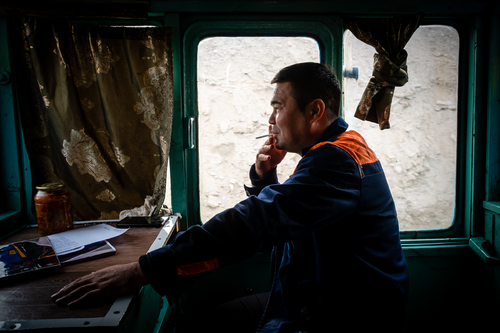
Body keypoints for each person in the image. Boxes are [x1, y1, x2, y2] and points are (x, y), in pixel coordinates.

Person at [52, 62, 409, 332]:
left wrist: (143, 270)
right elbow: (289, 218)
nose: (272, 119)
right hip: (317, 293)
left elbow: (256, 222)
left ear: (314, 111)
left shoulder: (336, 162)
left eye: (279, 106)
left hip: (347, 313)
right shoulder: (336, 151)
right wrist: (265, 174)